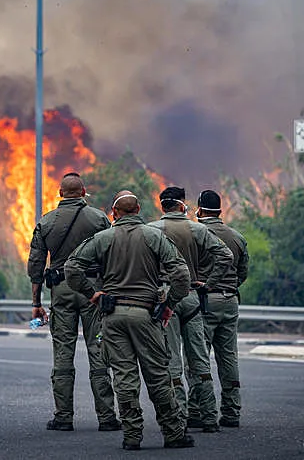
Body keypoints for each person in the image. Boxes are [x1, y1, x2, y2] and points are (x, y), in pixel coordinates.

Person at [65, 190, 195, 450]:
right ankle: (172, 433)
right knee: (158, 375)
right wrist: (168, 304)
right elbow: (181, 274)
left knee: (124, 378)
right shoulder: (154, 236)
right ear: (138, 211)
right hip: (145, 315)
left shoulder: (103, 238)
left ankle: (132, 436)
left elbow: (71, 268)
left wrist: (94, 295)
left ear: (114, 214)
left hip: (112, 317)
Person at [26, 173, 120, 432]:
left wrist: (36, 303)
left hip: (61, 291)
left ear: (60, 193)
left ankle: (63, 417)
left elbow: (35, 266)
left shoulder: (46, 222)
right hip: (93, 292)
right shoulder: (99, 219)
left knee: (63, 355)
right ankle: (107, 417)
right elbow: (112, 256)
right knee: (99, 350)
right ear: (83, 192)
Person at [147, 186, 233, 433]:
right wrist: (210, 283)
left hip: (167, 299)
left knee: (172, 359)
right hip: (193, 297)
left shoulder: (152, 230)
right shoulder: (198, 229)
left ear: (162, 205)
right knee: (199, 359)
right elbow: (225, 256)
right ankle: (209, 417)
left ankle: (180, 417)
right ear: (182, 205)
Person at [188, 190, 249, 429]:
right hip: (231, 300)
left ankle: (197, 411)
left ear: (200, 210)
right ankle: (232, 412)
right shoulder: (237, 236)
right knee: (228, 356)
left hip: (205, 300)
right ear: (220, 211)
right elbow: (242, 271)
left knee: (198, 357)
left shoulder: (196, 234)